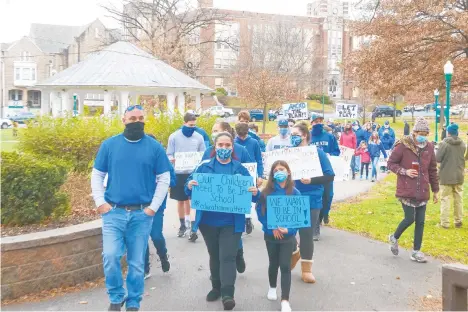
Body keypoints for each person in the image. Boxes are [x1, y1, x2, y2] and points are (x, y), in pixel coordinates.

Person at [91, 105, 171, 311]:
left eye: (141, 118)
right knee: (110, 256)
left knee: (136, 264)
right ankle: (116, 296)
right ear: (123, 120)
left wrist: (153, 207)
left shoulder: (154, 147)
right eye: (132, 118)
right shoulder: (109, 145)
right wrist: (100, 202)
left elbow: (164, 178)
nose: (137, 121)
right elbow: (97, 175)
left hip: (141, 214)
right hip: (113, 213)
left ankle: (134, 301)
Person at [185, 132, 259, 311]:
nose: (224, 148)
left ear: (232, 148)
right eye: (221, 145)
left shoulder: (240, 168)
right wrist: (189, 185)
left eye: (227, 145)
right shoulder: (204, 167)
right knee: (215, 255)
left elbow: (252, 194)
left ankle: (228, 294)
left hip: (231, 222)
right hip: (208, 222)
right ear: (214, 147)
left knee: (227, 256)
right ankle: (216, 287)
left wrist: (255, 192)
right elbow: (188, 187)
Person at [201, 121, 253, 272]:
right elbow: (202, 174)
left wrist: (251, 182)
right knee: (218, 247)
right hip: (215, 206)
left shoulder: (241, 150)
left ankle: (238, 254)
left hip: (235, 202)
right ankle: (217, 274)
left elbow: (251, 168)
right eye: (213, 131)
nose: (214, 133)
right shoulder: (208, 152)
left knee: (233, 236)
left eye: (216, 130)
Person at [387, 117, 439, 263]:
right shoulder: (403, 146)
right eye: (421, 133)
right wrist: (405, 171)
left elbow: (433, 169)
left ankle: (416, 251)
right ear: (415, 132)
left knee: (421, 222)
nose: (423, 136)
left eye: (426, 133)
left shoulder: (429, 147)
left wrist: (435, 190)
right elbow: (391, 163)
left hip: (422, 189)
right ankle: (394, 237)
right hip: (407, 188)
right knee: (410, 218)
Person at [289, 123, 335, 283]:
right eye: (291, 134)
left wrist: (311, 180)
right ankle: (295, 252)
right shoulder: (287, 153)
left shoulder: (317, 153)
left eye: (295, 134)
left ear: (305, 136)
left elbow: (330, 175)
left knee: (306, 234)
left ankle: (306, 269)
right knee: (288, 233)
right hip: (290, 197)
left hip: (311, 197)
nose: (292, 137)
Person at [256, 160, 300, 312]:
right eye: (275, 170)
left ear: (288, 172)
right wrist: (272, 226)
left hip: (288, 236)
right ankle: (272, 287)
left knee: (286, 266)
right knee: (273, 263)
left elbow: (299, 216)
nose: (278, 172)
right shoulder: (266, 192)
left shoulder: (295, 193)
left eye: (282, 169)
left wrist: (290, 230)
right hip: (270, 235)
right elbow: (260, 212)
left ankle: (285, 300)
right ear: (272, 174)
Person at [167, 113, 206, 238]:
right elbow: (169, 154)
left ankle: (192, 225)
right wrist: (171, 159)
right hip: (179, 172)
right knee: (181, 200)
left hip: (193, 173)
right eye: (190, 125)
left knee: (193, 199)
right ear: (184, 123)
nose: (192, 128)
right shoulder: (174, 137)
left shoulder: (199, 137)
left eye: (194, 125)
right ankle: (182, 224)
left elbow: (203, 154)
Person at [144, 134, 175, 279]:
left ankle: (163, 256)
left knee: (156, 235)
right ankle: (144, 267)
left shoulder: (162, 160)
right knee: (141, 237)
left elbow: (172, 180)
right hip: (139, 204)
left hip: (157, 204)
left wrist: (160, 181)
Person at [309, 113, 339, 232]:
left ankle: (323, 215)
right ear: (311, 123)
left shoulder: (329, 137)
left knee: (328, 196)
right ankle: (316, 226)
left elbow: (336, 152)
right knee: (317, 197)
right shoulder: (308, 137)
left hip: (326, 173)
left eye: (320, 121)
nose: (318, 123)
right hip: (313, 174)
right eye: (315, 121)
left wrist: (329, 156)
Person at [235, 122, 264, 235]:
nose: (242, 138)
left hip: (252, 172)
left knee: (250, 195)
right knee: (239, 197)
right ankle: (242, 219)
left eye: (244, 135)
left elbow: (259, 159)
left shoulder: (254, 142)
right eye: (240, 135)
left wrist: (260, 175)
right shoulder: (233, 143)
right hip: (238, 174)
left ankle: (248, 218)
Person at [436, 123, 466, 229]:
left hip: (446, 176)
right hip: (459, 175)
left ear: (448, 132)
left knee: (445, 199)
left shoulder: (444, 144)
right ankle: (458, 221)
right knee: (458, 199)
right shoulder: (462, 144)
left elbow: (438, 158)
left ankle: (445, 223)